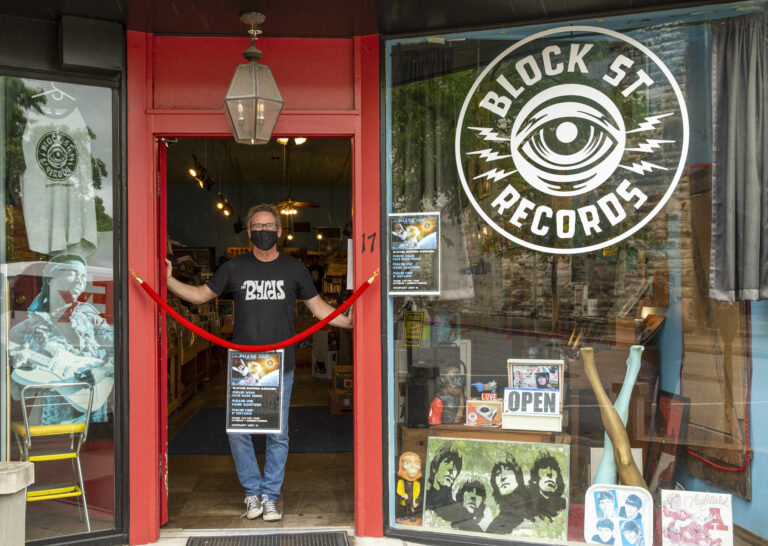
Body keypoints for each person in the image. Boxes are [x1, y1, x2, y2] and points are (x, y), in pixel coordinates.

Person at [165, 203, 353, 522]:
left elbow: (319, 308)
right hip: (245, 364)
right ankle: (252, 493)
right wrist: (167, 281)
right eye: (258, 227)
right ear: (249, 231)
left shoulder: (294, 269)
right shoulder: (234, 269)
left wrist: (349, 322)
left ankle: (271, 496)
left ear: (279, 232)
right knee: (239, 432)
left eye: (270, 227)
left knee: (277, 433)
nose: (264, 232)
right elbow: (198, 296)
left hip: (281, 362)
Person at [9, 253, 114, 424]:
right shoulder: (23, 330)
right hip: (48, 417)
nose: (80, 280)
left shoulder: (91, 318)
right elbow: (15, 390)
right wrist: (23, 366)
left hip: (92, 410)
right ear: (50, 278)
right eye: (73, 273)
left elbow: (121, 349)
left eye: (84, 276)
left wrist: (104, 370)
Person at [486, 454, 528, 534]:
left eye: (507, 470)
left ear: (517, 476)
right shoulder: (496, 524)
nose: (503, 477)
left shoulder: (534, 513)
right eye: (498, 474)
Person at [425, 445, 462, 520]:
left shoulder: (457, 510)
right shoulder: (422, 498)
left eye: (455, 468)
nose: (451, 469)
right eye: (446, 463)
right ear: (435, 467)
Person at [527, 453, 566, 521]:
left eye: (553, 469)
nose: (549, 474)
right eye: (544, 469)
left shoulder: (564, 505)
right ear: (536, 478)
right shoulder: (529, 504)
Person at [395, 451, 423, 524]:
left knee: (412, 508)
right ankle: (406, 516)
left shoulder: (417, 483)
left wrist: (417, 500)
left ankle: (412, 516)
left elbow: (419, 493)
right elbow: (399, 489)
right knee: (405, 508)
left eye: (416, 464)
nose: (412, 468)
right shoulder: (401, 481)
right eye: (407, 463)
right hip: (405, 499)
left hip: (412, 499)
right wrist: (402, 494)